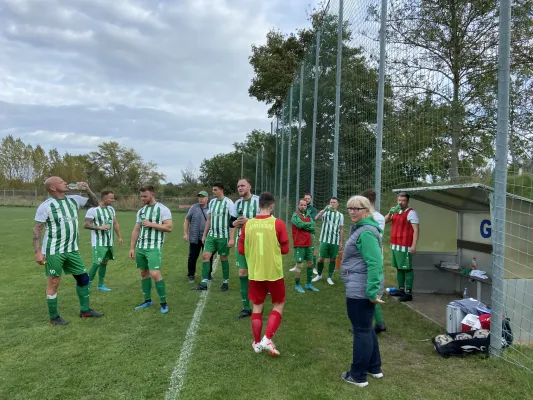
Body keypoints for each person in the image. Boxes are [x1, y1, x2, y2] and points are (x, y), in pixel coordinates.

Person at [33, 177, 103, 325]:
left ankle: (85, 310)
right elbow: (37, 230)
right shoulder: (46, 206)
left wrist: (87, 189)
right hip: (53, 250)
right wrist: (37, 251)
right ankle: (54, 317)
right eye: (61, 182)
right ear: (53, 188)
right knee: (54, 282)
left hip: (72, 250)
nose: (65, 182)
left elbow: (96, 204)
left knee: (83, 279)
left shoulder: (74, 200)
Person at [238, 192, 289, 356]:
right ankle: (267, 338)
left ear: (258, 205)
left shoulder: (248, 225)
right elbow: (286, 249)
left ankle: (257, 342)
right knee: (279, 303)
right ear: (272, 206)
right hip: (274, 272)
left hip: (255, 272)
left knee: (257, 306)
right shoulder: (278, 224)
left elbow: (241, 249)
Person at [341, 195, 384, 387]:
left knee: (361, 330)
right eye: (349, 208)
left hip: (361, 288)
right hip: (360, 285)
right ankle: (374, 368)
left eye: (356, 208)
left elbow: (375, 263)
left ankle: (357, 376)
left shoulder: (365, 232)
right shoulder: (363, 228)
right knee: (366, 327)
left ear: (366, 210)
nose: (351, 211)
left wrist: (372, 291)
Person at [129, 185, 173, 313]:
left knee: (154, 273)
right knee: (143, 273)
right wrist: (132, 248)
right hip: (141, 247)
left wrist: (152, 224)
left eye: (145, 196)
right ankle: (147, 300)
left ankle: (163, 303)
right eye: (141, 196)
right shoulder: (141, 211)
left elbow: (169, 227)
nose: (142, 198)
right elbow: (136, 229)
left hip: (154, 246)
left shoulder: (163, 209)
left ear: (152, 194)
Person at [193, 182, 237, 291]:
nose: (213, 192)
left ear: (221, 190)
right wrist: (204, 235)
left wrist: (231, 238)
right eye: (213, 190)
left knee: (223, 258)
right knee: (205, 256)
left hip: (223, 236)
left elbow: (233, 221)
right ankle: (204, 283)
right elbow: (209, 219)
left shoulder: (228, 202)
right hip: (211, 236)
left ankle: (225, 282)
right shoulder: (212, 202)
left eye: (215, 190)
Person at [230, 178, 260, 319]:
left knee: (256, 275)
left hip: (257, 243)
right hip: (242, 242)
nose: (240, 188)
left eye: (242, 185)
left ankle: (257, 305)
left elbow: (268, 221)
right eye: (238, 186)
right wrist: (235, 223)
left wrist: (250, 221)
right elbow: (232, 221)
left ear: (249, 186)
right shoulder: (237, 203)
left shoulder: (259, 201)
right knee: (242, 273)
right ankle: (246, 308)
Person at [84, 190, 123, 292]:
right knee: (96, 262)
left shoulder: (111, 209)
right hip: (98, 241)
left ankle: (100, 285)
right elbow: (86, 225)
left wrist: (119, 237)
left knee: (104, 262)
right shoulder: (93, 210)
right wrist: (99, 227)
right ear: (104, 198)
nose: (113, 200)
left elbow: (115, 223)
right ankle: (86, 285)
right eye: (111, 198)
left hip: (109, 241)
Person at [384, 191, 419, 302]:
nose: (401, 202)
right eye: (399, 200)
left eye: (403, 200)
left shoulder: (411, 213)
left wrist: (414, 245)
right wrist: (390, 213)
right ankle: (401, 290)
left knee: (407, 269)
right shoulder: (396, 211)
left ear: (407, 201)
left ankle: (408, 293)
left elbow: (416, 230)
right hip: (395, 245)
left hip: (405, 245)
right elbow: (385, 221)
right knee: (399, 268)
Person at [361, 189, 387, 333]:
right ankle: (379, 323)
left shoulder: (372, 218)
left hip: (370, 257)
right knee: (373, 290)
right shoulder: (381, 217)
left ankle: (365, 325)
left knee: (368, 292)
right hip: (377, 256)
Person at [183, 190, 214, 283]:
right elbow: (187, 220)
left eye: (203, 197)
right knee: (193, 257)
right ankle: (191, 275)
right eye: (200, 197)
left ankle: (208, 274)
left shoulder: (211, 208)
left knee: (209, 256)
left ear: (207, 198)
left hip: (207, 237)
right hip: (194, 237)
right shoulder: (194, 207)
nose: (201, 199)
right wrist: (185, 233)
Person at [312, 196, 344, 285]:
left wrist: (341, 242)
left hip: (335, 241)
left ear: (337, 204)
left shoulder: (340, 215)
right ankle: (319, 275)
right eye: (331, 202)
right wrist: (324, 210)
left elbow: (341, 229)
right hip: (324, 239)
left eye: (334, 202)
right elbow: (316, 218)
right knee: (321, 258)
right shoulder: (325, 213)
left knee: (333, 259)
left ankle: (329, 277)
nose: (332, 204)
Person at [291, 199, 320, 293]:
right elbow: (299, 225)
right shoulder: (295, 215)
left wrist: (305, 225)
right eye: (301, 205)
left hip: (309, 243)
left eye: (304, 205)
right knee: (299, 265)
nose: (303, 207)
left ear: (306, 206)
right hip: (299, 243)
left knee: (310, 264)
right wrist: (307, 226)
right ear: (298, 205)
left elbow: (313, 226)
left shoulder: (308, 215)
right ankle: (297, 285)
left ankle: (308, 284)